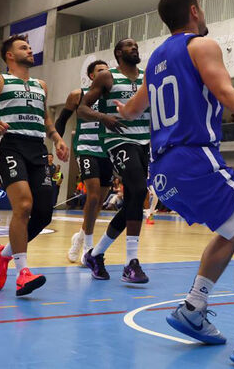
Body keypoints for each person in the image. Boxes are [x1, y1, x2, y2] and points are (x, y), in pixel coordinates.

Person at [115, 0, 234, 365]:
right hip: (194, 156)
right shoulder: (201, 46)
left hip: (163, 168)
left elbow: (132, 110)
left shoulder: (154, 61)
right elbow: (224, 90)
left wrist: (120, 107)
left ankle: (193, 308)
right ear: (194, 11)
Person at [0, 34, 69, 297]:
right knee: (23, 205)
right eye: (24, 47)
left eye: (30, 47)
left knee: (44, 214)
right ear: (10, 55)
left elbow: (45, 119)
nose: (30, 51)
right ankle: (23, 273)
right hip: (9, 145)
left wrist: (56, 139)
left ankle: (3, 254)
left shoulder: (41, 85)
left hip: (36, 148)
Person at [77, 39, 152, 284]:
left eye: (136, 46)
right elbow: (82, 108)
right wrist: (103, 117)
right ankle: (131, 262)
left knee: (133, 201)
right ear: (119, 52)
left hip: (145, 142)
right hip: (119, 141)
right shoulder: (107, 78)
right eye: (130, 46)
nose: (135, 48)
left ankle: (95, 254)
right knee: (139, 191)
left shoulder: (146, 77)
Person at [55, 60, 113, 264]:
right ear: (91, 76)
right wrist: (58, 141)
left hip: (108, 150)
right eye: (100, 70)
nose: (105, 72)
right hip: (86, 148)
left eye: (107, 70)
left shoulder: (113, 95)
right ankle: (89, 247)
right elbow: (61, 121)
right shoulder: (77, 95)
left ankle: (79, 237)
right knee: (94, 195)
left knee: (97, 204)